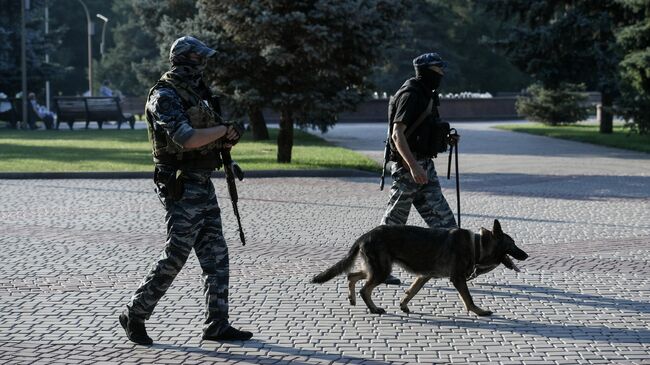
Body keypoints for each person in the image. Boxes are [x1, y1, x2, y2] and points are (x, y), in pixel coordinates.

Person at [119, 36, 251, 345]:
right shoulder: (164, 96)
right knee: (176, 254)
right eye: (199, 60)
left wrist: (227, 146)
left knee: (216, 254)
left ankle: (217, 324)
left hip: (202, 182)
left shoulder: (197, 93)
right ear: (185, 61)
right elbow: (187, 138)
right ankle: (134, 314)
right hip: (180, 184)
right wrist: (222, 129)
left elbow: (208, 138)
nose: (203, 66)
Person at [381, 53, 459, 285]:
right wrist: (413, 167)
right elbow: (397, 134)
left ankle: (457, 265)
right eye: (438, 70)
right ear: (426, 71)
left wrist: (446, 138)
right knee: (394, 223)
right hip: (409, 168)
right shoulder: (410, 94)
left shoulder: (428, 93)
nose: (442, 74)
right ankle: (381, 268)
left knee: (445, 224)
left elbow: (426, 129)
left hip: (425, 166)